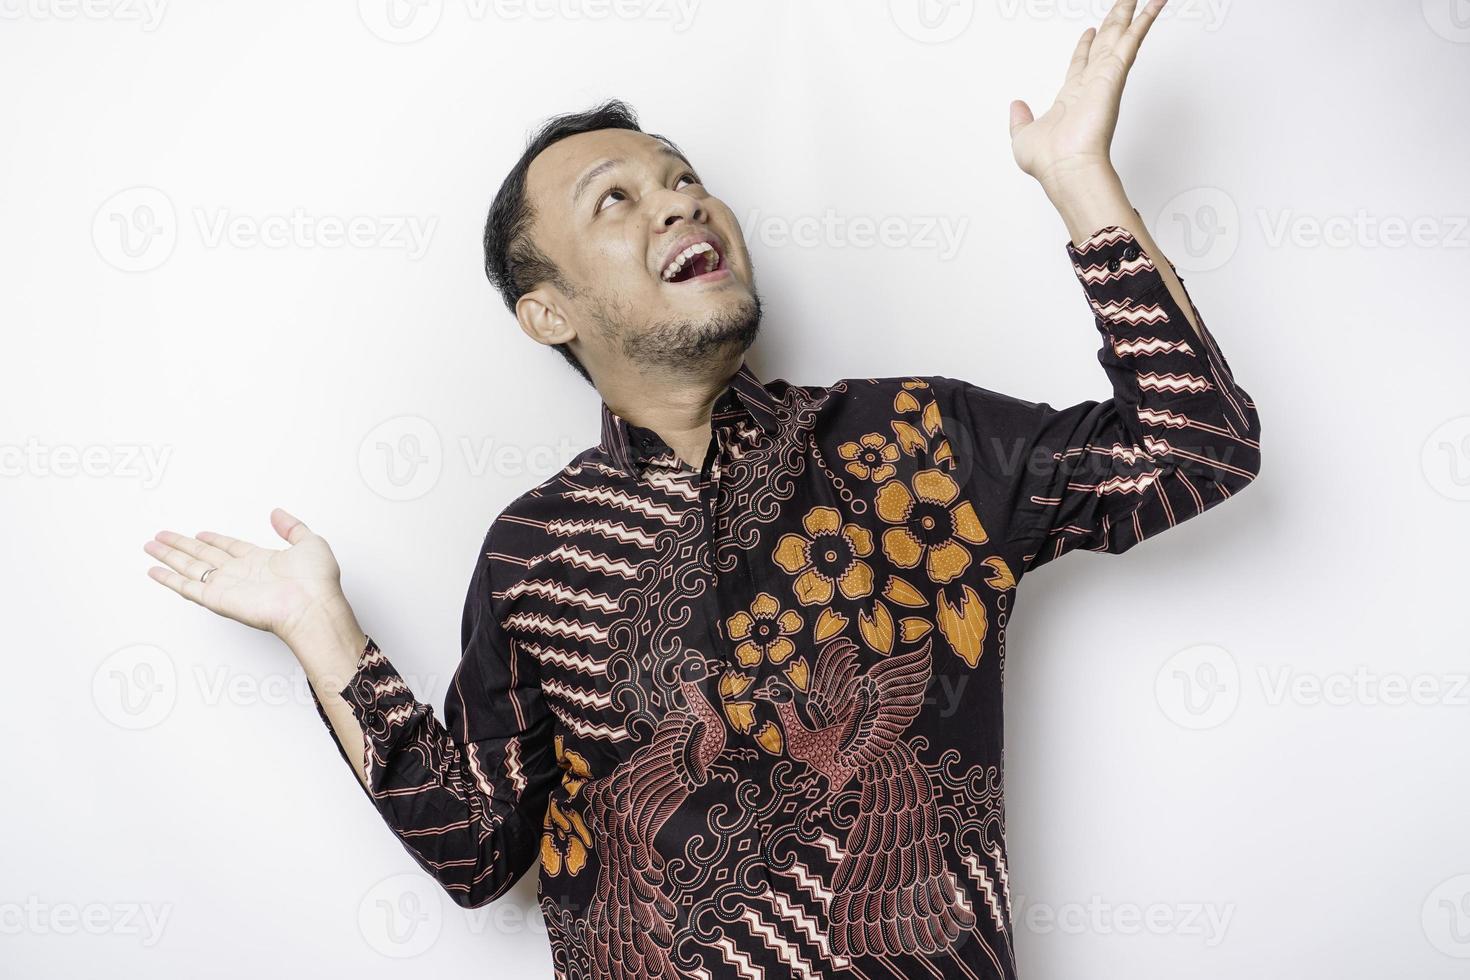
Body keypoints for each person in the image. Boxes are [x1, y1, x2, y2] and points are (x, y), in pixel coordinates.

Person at [142, 2, 1260, 976]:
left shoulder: (917, 442)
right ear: (549, 312)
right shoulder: (538, 557)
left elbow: (1198, 449)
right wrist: (321, 628)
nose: (679, 203)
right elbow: (479, 850)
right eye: (613, 201)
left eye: (683, 178)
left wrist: (1080, 180)